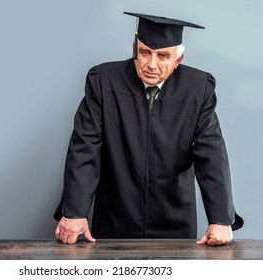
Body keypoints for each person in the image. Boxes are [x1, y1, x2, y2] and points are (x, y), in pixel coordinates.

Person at [54, 12, 243, 246]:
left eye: (163, 56)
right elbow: (85, 147)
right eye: (145, 53)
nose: (152, 64)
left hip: (174, 220)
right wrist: (74, 211)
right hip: (114, 218)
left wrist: (220, 219)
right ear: (134, 49)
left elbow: (211, 153)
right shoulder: (103, 81)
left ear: (178, 60)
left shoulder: (198, 89)